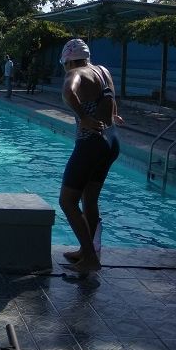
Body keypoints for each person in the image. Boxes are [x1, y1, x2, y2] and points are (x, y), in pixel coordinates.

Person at [58, 38, 124, 273]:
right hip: (111, 141)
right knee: (90, 200)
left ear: (68, 61)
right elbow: (110, 97)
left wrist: (83, 117)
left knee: (67, 201)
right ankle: (89, 250)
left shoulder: (74, 74)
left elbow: (68, 92)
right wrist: (113, 115)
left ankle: (89, 258)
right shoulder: (102, 71)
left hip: (91, 143)